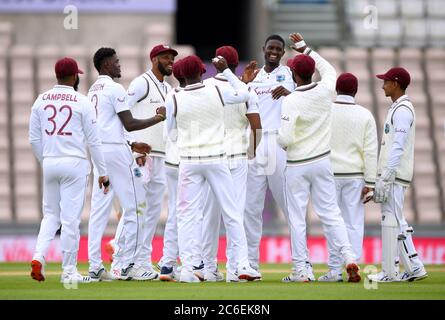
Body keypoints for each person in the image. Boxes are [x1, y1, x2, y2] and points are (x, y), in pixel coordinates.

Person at [166, 55, 261, 283]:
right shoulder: (217, 91)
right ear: (201, 71)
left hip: (189, 161)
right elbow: (246, 93)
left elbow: (169, 133)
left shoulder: (174, 98)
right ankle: (241, 265)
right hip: (217, 158)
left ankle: (190, 269)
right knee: (232, 212)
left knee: (187, 216)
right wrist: (228, 72)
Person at [278, 33, 361, 283]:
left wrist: (277, 137)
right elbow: (330, 68)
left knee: (297, 217)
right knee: (331, 214)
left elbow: (286, 139)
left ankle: (301, 270)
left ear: (294, 75)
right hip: (323, 162)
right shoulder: (326, 90)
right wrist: (306, 49)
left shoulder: (291, 100)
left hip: (297, 166)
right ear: (312, 72)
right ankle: (349, 256)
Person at [87, 47, 166, 281]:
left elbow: (109, 125)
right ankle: (126, 264)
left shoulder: (93, 89)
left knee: (99, 210)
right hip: (115, 152)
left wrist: (133, 144)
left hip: (98, 151)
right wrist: (157, 118)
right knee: (137, 207)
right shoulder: (115, 88)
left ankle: (94, 266)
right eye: (115, 62)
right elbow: (129, 123)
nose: (119, 65)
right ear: (104, 65)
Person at [29, 57, 110, 283]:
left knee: (50, 216)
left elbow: (34, 139)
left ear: (57, 75)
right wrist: (103, 172)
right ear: (74, 76)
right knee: (70, 220)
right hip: (74, 163)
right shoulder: (82, 101)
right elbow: (94, 141)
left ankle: (38, 257)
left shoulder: (40, 100)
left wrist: (45, 160)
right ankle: (69, 272)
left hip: (50, 162)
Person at [242, 35, 314, 279]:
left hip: (277, 141)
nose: (274, 52)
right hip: (255, 142)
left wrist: (291, 93)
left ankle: (302, 266)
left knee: (289, 206)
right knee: (250, 208)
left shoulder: (291, 76)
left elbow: (307, 101)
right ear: (263, 49)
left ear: (283, 52)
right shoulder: (254, 76)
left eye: (278, 49)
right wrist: (244, 83)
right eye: (270, 48)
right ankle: (250, 265)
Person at [201, 46, 262, 282]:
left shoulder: (204, 87)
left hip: (210, 155)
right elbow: (257, 128)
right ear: (236, 64)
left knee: (210, 215)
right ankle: (236, 268)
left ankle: (207, 268)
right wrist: (251, 152)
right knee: (234, 214)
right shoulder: (246, 90)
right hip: (237, 157)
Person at [368, 67, 428, 282]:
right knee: (393, 219)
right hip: (392, 174)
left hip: (395, 174)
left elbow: (398, 146)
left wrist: (387, 175)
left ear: (395, 83)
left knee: (394, 220)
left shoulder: (403, 110)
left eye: (385, 81)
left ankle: (407, 268)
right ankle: (404, 269)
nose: (383, 85)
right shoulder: (397, 108)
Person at [318, 73, 378, 282]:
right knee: (353, 222)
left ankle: (335, 270)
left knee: (332, 222)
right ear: (355, 91)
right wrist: (370, 183)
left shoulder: (326, 110)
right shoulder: (365, 115)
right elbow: (370, 151)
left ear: (337, 89)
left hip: (329, 174)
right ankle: (353, 261)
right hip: (355, 176)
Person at [125, 44, 177, 276]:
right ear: (154, 59)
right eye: (166, 57)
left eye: (172, 58)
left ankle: (142, 262)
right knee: (136, 209)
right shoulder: (141, 83)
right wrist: (131, 145)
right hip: (142, 156)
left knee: (152, 213)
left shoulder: (169, 88)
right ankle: (122, 261)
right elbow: (120, 113)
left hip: (161, 156)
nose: (170, 61)